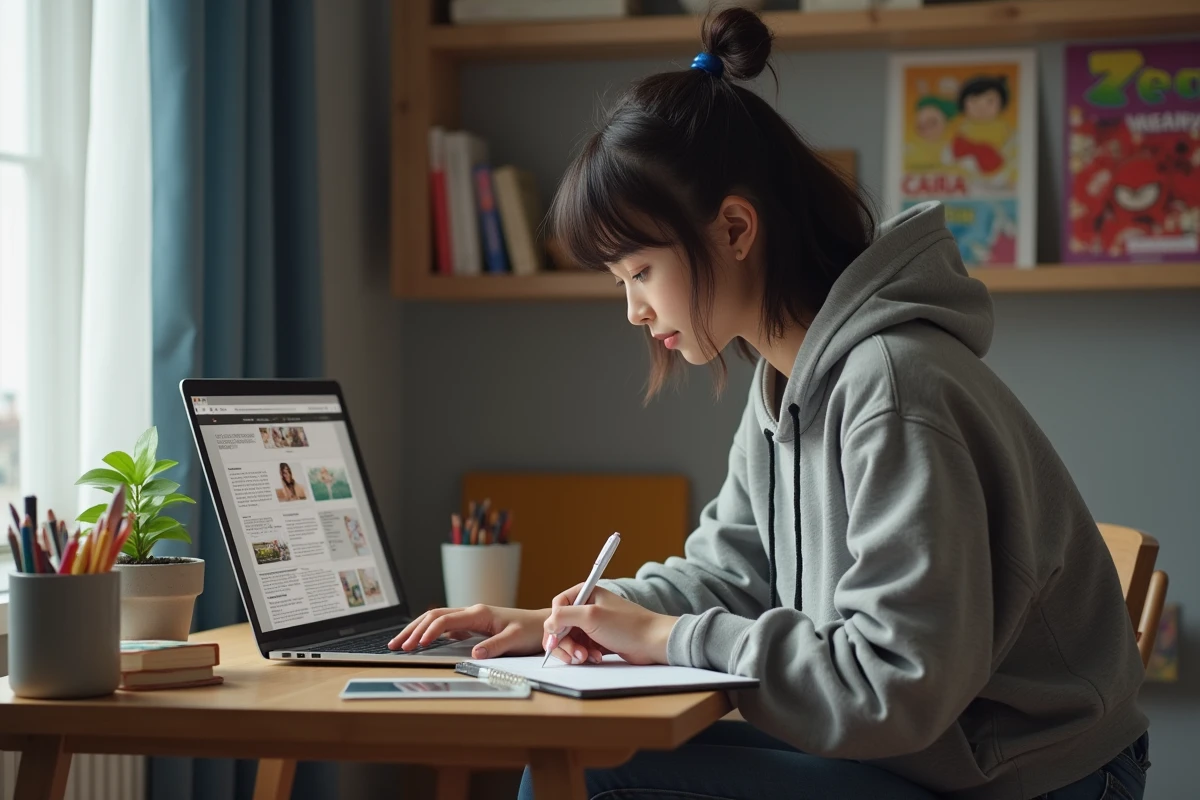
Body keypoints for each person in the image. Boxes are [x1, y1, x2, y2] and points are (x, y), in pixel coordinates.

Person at [388, 9, 1149, 800]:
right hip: (929, 754)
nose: (634, 312)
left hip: (1030, 780)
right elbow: (731, 569)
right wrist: (589, 615)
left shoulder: (889, 389)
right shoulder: (787, 383)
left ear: (736, 228)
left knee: (597, 780)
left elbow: (894, 683)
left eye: (641, 271)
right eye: (620, 282)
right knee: (598, 767)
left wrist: (667, 637)